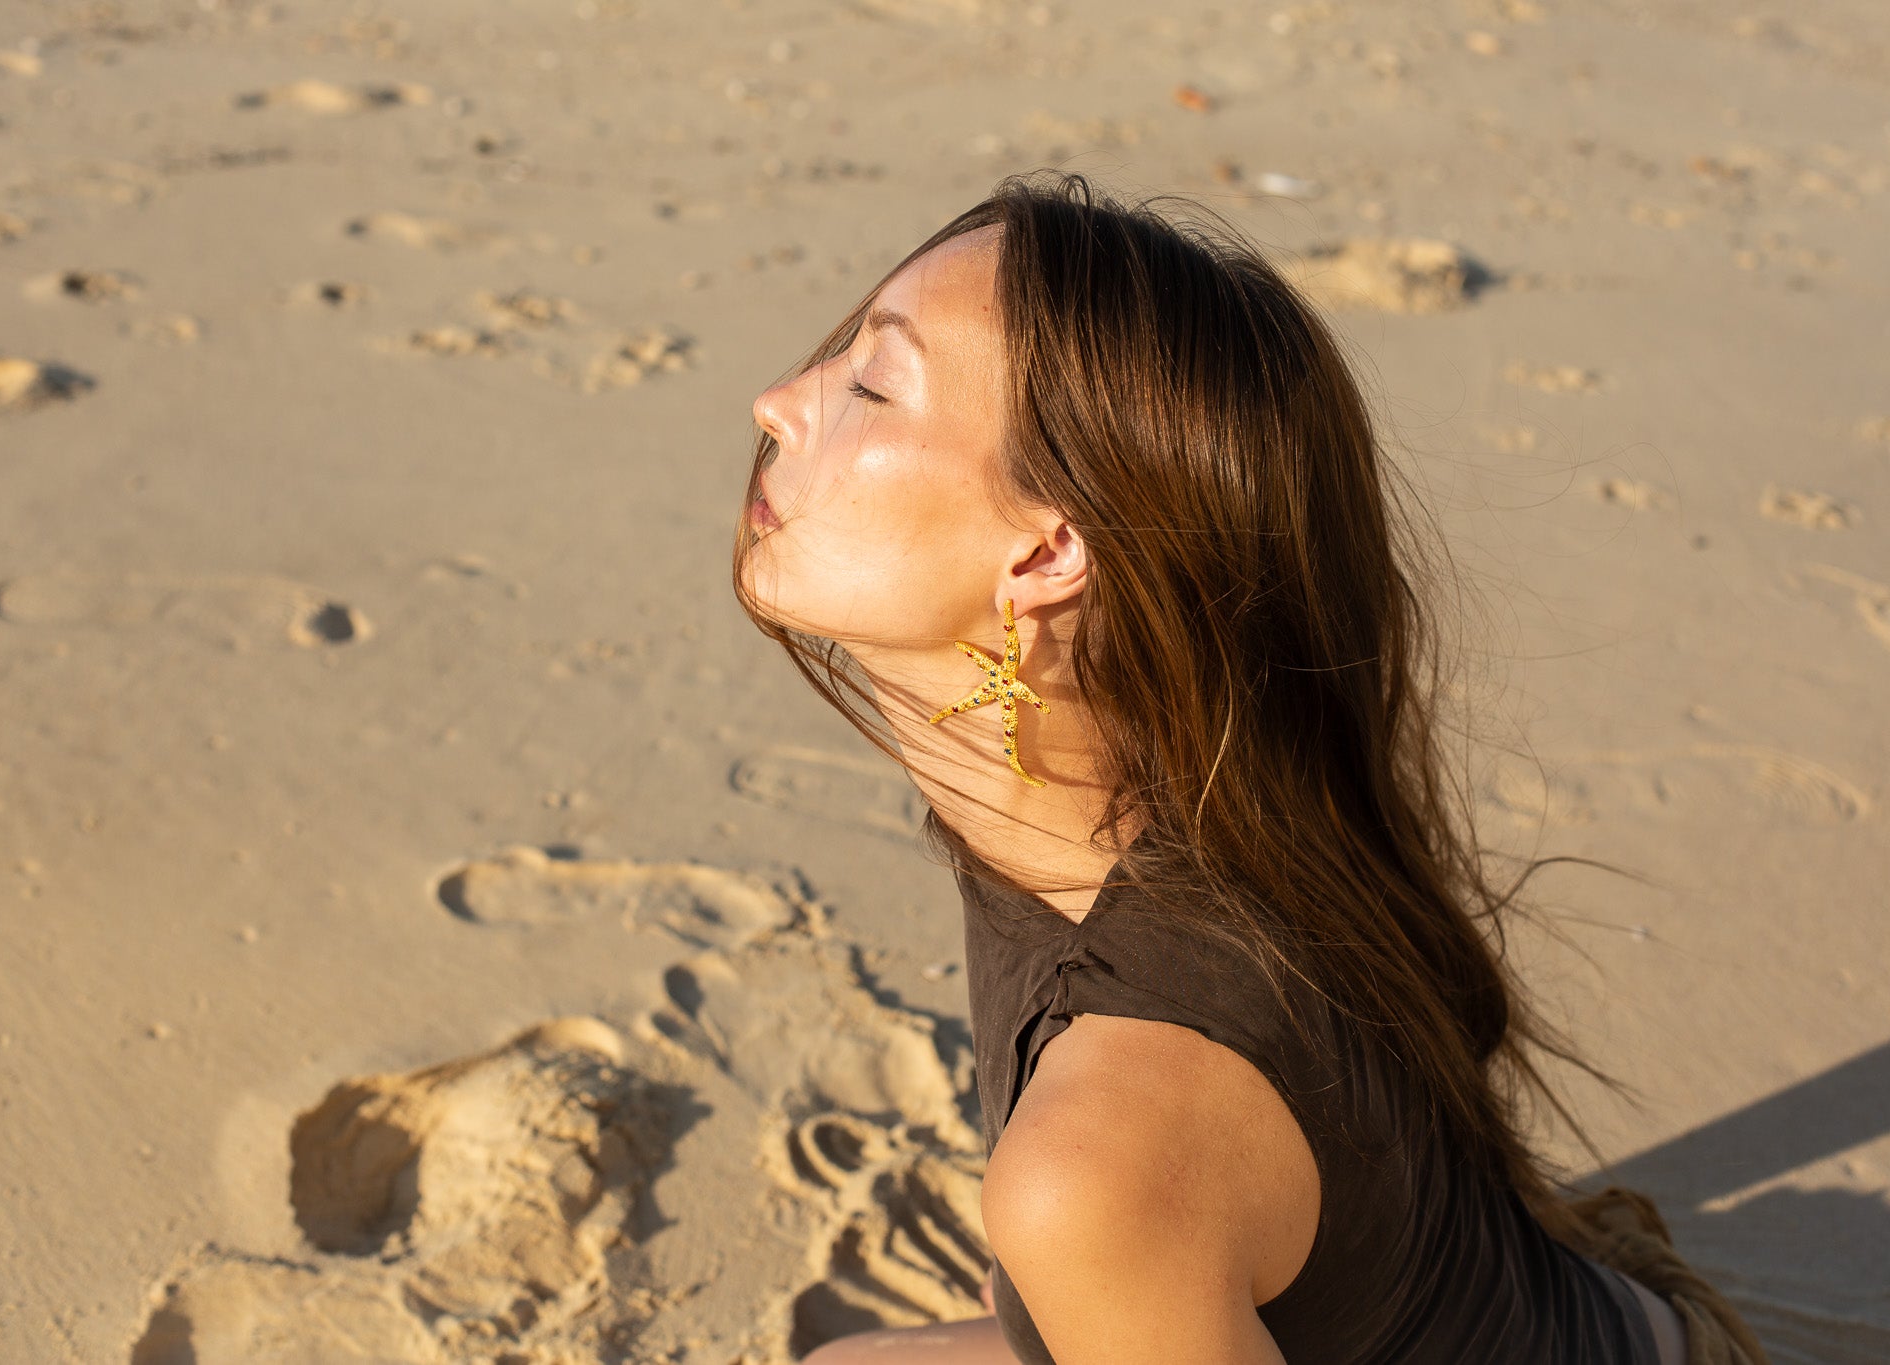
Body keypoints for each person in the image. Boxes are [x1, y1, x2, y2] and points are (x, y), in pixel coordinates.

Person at [734, 171, 1747, 1364]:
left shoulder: (1098, 1153)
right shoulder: (1186, 782)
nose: (775, 403)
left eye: (870, 383)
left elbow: (1109, 1171)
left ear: (1049, 550)